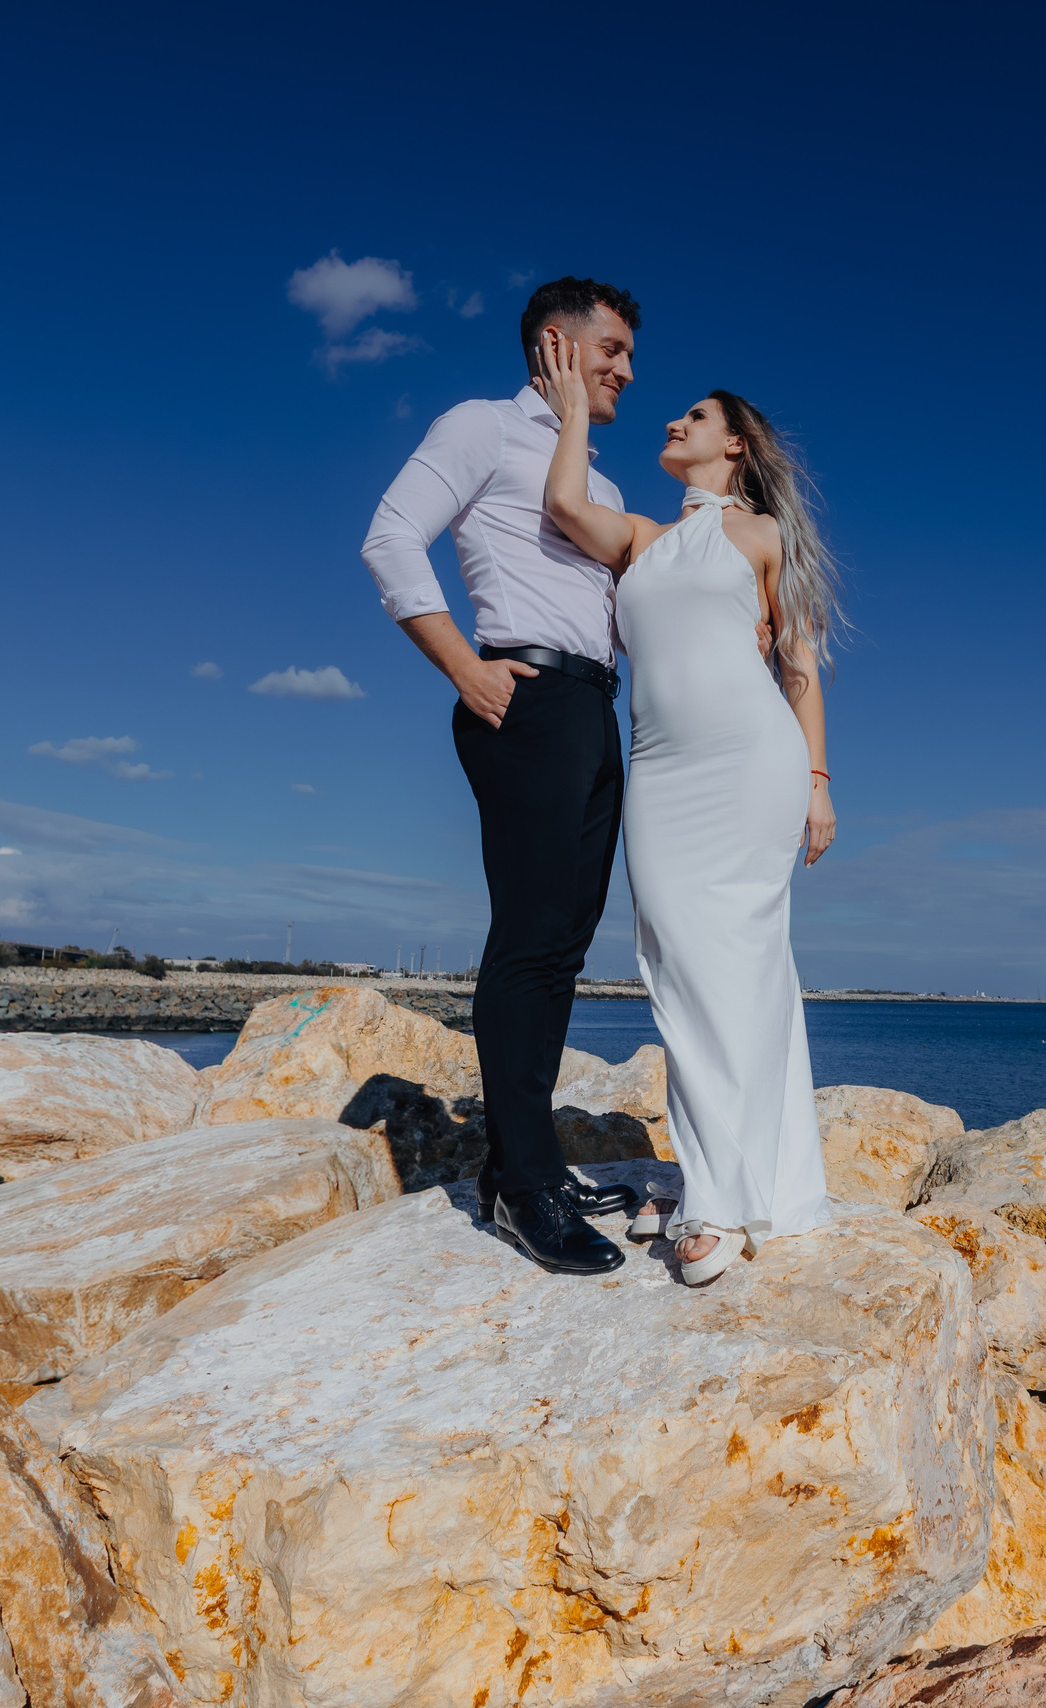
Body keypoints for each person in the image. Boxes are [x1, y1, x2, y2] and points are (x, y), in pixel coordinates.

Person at [531, 328, 841, 1286]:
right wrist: (575, 411)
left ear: (736, 444)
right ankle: (742, 1175)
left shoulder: (763, 537)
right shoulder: (641, 540)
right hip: (660, 772)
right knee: (676, 962)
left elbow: (799, 670)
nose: (672, 418)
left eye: (695, 416)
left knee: (740, 964)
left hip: (753, 763)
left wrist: (821, 784)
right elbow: (562, 504)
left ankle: (711, 1199)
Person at [359, 277, 649, 1276]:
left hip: (593, 709)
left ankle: (529, 1165)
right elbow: (389, 534)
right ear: (556, 344)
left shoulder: (594, 480)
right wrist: (460, 665)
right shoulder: (483, 426)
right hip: (521, 697)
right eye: (610, 349)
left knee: (563, 948)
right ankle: (520, 1185)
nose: (625, 371)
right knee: (528, 942)